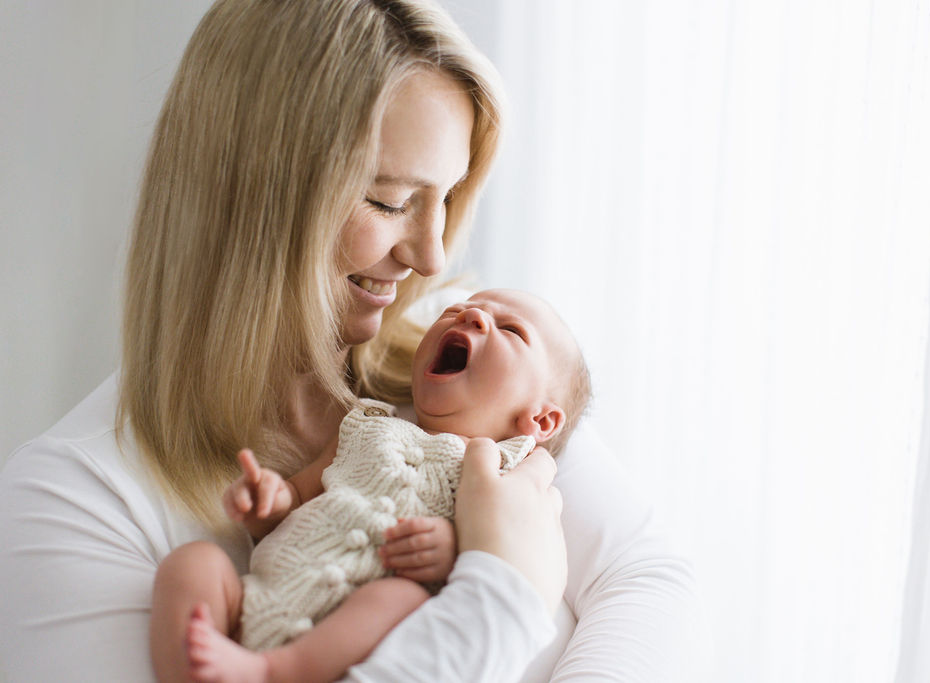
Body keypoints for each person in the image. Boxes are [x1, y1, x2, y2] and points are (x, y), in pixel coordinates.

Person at [0, 1, 707, 681]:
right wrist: (508, 588)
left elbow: (647, 580)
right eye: (391, 202)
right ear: (253, 199)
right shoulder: (70, 507)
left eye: (449, 198)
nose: (432, 258)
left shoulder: (476, 375)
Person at [153, 288, 592, 683]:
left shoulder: (506, 478)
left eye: (512, 330)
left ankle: (273, 670)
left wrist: (452, 549)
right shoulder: (365, 422)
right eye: (455, 309)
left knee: (399, 597)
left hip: (348, 640)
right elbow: (300, 495)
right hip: (266, 597)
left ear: (540, 420)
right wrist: (269, 499)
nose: (471, 315)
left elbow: (499, 555)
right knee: (193, 562)